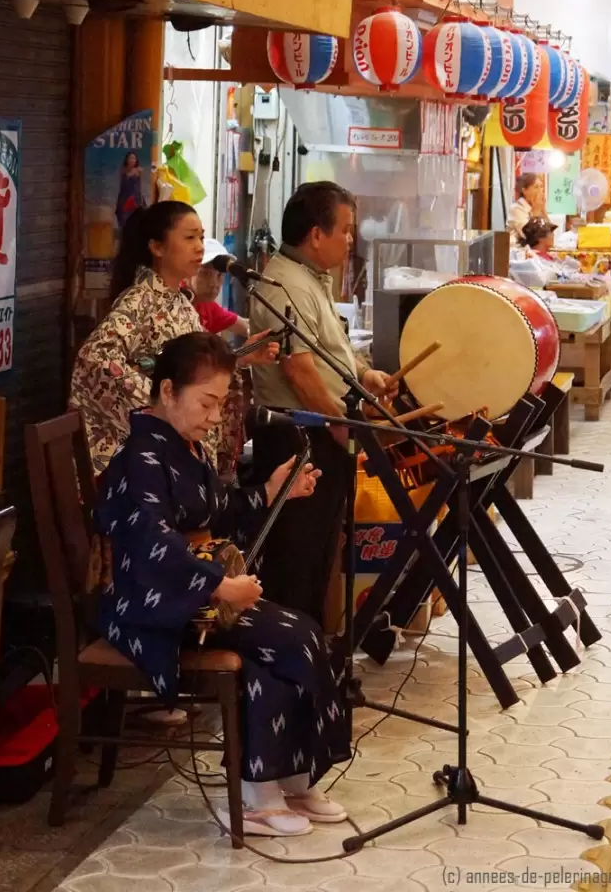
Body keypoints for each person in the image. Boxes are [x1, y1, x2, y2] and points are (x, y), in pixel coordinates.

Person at [94, 333, 351, 836]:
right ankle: (268, 792)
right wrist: (218, 587)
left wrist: (274, 491)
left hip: (190, 590)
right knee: (296, 634)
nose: (215, 417)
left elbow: (220, 509)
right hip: (156, 603)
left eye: (220, 404)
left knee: (279, 650)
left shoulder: (182, 445)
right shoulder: (140, 457)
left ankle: (281, 786)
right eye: (206, 403)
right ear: (167, 390)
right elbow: (152, 542)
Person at [247, 181, 395, 625]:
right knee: (297, 555)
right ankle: (287, 661)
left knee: (319, 552)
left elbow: (331, 350)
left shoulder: (310, 278)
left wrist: (364, 373)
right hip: (299, 436)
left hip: (321, 429)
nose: (350, 241)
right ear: (316, 234)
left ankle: (309, 652)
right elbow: (299, 368)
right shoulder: (281, 284)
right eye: (345, 231)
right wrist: (336, 422)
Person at [70, 201, 278, 478]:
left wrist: (241, 357)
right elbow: (94, 360)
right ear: (157, 247)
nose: (200, 247)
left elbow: (190, 371)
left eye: (201, 237)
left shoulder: (179, 302)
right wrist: (164, 404)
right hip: (140, 466)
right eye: (189, 238)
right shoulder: (140, 300)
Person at [190, 238, 249, 338]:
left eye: (220, 275)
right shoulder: (176, 303)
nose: (214, 283)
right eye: (206, 273)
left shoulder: (208, 306)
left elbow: (246, 326)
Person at [507, 173, 548, 242]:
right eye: (536, 187)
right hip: (519, 250)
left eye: (541, 187)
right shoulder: (516, 208)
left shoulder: (536, 206)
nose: (540, 191)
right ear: (524, 190)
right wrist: (536, 212)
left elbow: (549, 234)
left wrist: (543, 211)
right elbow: (529, 237)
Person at [116, 153, 145, 230]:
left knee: (136, 219)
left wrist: (140, 199)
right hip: (125, 197)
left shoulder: (139, 170)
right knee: (123, 218)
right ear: (127, 160)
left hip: (135, 197)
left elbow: (139, 186)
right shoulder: (123, 170)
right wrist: (130, 174)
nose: (132, 160)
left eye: (134, 158)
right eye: (130, 158)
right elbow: (123, 184)